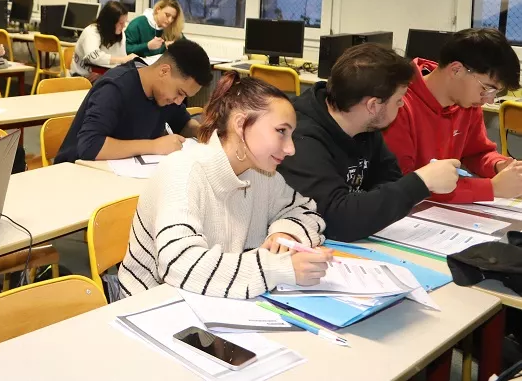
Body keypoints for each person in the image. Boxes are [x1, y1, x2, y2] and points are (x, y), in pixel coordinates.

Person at [118, 71, 330, 299]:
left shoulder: (261, 174)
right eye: (281, 132)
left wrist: (286, 234)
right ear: (241, 124)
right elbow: (178, 265)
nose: (290, 149)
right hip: (152, 309)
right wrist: (277, 268)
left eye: (291, 135)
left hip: (213, 303)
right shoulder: (183, 171)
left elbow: (306, 211)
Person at [277, 44, 460, 242]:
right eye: (399, 100)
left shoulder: (365, 126)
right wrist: (422, 182)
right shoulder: (299, 138)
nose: (401, 106)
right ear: (373, 105)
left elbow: (390, 178)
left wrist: (362, 208)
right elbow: (337, 221)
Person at [385, 28, 522, 203]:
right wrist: (492, 188)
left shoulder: (466, 102)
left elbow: (476, 152)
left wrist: (498, 165)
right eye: (486, 88)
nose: (488, 99)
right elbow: (405, 184)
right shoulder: (399, 103)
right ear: (456, 70)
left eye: (496, 92)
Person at [55, 39, 211, 164]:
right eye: (180, 93)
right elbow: (90, 146)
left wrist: (207, 133)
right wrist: (154, 146)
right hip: (77, 171)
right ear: (164, 71)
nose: (179, 102)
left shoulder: (166, 96)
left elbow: (182, 123)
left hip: (119, 173)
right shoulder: (115, 87)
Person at [69, 0, 136, 79]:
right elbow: (94, 57)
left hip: (104, 74)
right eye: (121, 23)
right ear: (110, 23)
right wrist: (122, 60)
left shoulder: (119, 34)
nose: (124, 26)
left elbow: (120, 60)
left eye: (125, 22)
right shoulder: (91, 32)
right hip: (82, 76)